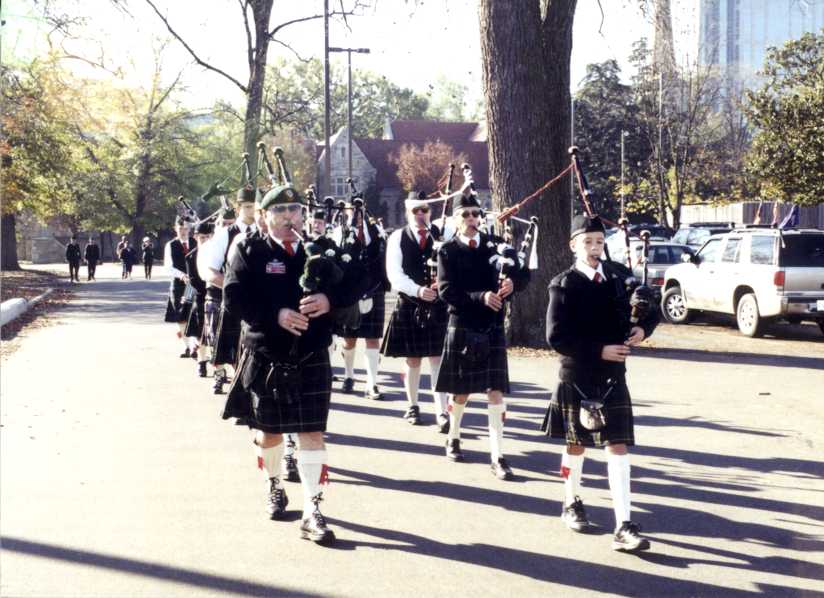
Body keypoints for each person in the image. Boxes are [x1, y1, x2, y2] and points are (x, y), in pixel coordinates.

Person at [221, 183, 361, 545]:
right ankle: (274, 484)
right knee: (270, 434)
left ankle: (313, 509)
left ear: (302, 214)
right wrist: (275, 314)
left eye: (294, 210)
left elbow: (355, 288)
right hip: (267, 353)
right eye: (279, 212)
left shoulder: (323, 250)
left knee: (312, 433)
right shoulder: (248, 249)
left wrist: (330, 301)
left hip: (311, 352)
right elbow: (234, 298)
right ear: (264, 216)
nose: (288, 217)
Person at [544, 214, 659, 552]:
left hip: (612, 378)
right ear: (574, 246)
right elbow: (556, 337)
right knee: (576, 445)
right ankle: (571, 502)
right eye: (588, 242)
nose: (595, 247)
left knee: (617, 446)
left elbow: (646, 309)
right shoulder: (563, 284)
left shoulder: (618, 277)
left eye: (598, 241)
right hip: (578, 375)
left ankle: (623, 525)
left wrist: (643, 329)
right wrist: (599, 350)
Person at [435, 191, 530, 480]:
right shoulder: (447, 251)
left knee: (495, 392)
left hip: (491, 325)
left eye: (476, 214)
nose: (472, 219)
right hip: (464, 322)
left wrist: (514, 284)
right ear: (455, 219)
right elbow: (446, 291)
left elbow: (524, 274)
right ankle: (453, 436)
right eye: (466, 214)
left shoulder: (496, 246)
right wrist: (481, 296)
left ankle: (497, 455)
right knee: (461, 392)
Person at [381, 193, 450, 432]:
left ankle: (442, 410)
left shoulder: (442, 234)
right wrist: (418, 290)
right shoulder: (397, 237)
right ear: (408, 212)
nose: (421, 215)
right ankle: (413, 405)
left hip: (438, 304)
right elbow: (394, 274)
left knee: (437, 358)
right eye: (416, 211)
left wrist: (440, 286)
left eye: (424, 210)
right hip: (411, 303)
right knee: (413, 359)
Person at [333, 200, 388, 400]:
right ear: (347, 210)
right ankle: (349, 375)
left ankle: (372, 383)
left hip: (373, 289)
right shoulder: (340, 232)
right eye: (352, 208)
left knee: (373, 339)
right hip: (350, 291)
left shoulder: (375, 231)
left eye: (359, 208)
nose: (356, 212)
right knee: (349, 339)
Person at [205, 187, 258, 388]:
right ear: (237, 208)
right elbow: (211, 272)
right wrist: (238, 290)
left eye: (256, 207)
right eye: (247, 207)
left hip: (261, 305)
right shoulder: (225, 235)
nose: (252, 211)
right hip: (236, 304)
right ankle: (240, 400)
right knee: (238, 355)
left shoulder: (266, 233)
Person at [164, 217, 196, 357]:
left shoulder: (196, 242)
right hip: (179, 285)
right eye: (180, 228)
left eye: (186, 228)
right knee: (181, 316)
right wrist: (182, 275)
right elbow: (168, 267)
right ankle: (187, 346)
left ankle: (196, 346)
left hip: (194, 285)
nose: (183, 231)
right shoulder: (170, 245)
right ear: (175, 228)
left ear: (190, 229)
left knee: (193, 315)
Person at [184, 222, 213, 377]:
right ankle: (202, 363)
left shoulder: (218, 252)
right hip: (201, 297)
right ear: (195, 237)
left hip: (216, 296)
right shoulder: (191, 256)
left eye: (208, 237)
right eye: (202, 237)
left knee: (215, 335)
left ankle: (218, 367)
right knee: (201, 333)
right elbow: (193, 282)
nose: (206, 240)